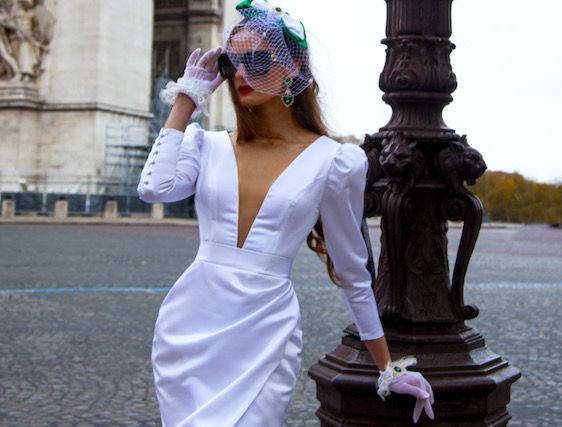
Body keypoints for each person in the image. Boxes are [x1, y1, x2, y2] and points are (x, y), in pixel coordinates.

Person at [138, 1, 435, 425]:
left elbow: (353, 273)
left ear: (295, 68)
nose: (240, 74)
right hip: (190, 327)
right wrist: (187, 99)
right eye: (231, 64)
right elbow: (153, 187)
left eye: (256, 60)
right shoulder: (206, 145)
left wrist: (388, 369)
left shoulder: (335, 162)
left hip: (266, 330)